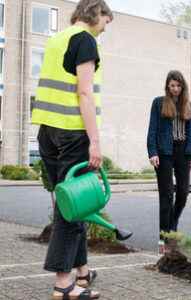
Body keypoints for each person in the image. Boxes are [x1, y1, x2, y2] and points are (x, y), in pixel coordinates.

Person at [31, 0, 113, 298]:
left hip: (48, 130)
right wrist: (94, 140)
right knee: (70, 209)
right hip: (73, 133)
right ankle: (63, 284)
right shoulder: (85, 40)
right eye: (106, 20)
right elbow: (84, 92)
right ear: (96, 14)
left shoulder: (57, 39)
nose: (105, 28)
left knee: (69, 202)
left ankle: (80, 271)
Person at [147, 70, 191, 250]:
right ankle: (163, 238)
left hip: (183, 152)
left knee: (183, 194)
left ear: (182, 86)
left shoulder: (188, 105)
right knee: (166, 195)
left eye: (178, 86)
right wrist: (152, 152)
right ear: (167, 86)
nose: (175, 89)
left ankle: (172, 227)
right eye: (172, 86)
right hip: (164, 153)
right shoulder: (159, 103)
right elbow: (152, 129)